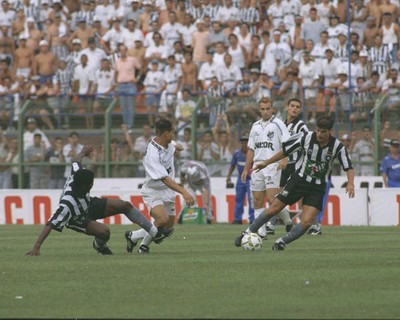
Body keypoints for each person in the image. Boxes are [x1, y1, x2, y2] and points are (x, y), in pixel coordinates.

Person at [234, 116, 355, 251]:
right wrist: (266, 163)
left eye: (323, 132)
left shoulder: (337, 146)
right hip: (299, 181)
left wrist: (350, 184)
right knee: (275, 207)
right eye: (318, 130)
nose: (319, 134)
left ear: (330, 131)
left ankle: (282, 241)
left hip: (317, 188)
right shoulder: (307, 137)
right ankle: (247, 232)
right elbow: (285, 151)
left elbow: (348, 167)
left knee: (307, 222)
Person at [26, 145, 172, 256]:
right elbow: (50, 224)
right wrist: (36, 247)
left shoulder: (77, 174)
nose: (92, 185)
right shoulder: (68, 204)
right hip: (78, 217)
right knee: (104, 232)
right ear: (84, 186)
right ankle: (100, 246)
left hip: (88, 203)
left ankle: (154, 233)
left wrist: (83, 152)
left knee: (125, 205)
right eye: (90, 184)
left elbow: (76, 160)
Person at [125, 119, 195, 254]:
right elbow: (164, 179)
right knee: (162, 219)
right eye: (172, 132)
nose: (174, 135)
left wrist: (177, 146)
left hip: (168, 191)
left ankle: (132, 236)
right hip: (153, 190)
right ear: (165, 133)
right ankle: (143, 247)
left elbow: (176, 145)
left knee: (167, 227)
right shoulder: (152, 154)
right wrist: (184, 192)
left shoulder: (167, 142)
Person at [241, 97, 293, 240]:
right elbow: (251, 149)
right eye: (262, 109)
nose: (265, 112)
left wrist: (284, 158)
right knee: (257, 200)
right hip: (257, 166)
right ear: (259, 110)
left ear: (272, 109)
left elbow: (288, 144)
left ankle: (288, 220)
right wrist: (246, 168)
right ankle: (261, 233)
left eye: (267, 109)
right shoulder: (255, 126)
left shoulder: (278, 124)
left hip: (272, 165)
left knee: (272, 199)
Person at [267, 98, 309, 235]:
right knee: (276, 196)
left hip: (297, 165)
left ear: (300, 110)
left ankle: (311, 224)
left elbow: (307, 143)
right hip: (283, 166)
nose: (295, 109)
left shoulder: (301, 126)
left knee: (302, 197)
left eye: (297, 106)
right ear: (286, 107)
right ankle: (276, 224)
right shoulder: (282, 125)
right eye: (292, 106)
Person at [226, 134, 254, 224]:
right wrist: (228, 176)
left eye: (246, 143)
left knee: (251, 199)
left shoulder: (252, 153)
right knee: (239, 198)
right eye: (242, 143)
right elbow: (232, 165)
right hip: (241, 179)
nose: (244, 145)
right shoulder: (237, 154)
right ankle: (237, 219)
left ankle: (252, 219)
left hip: (251, 179)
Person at [180, 160, 213, 224]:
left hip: (201, 183)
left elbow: (205, 190)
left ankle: (209, 218)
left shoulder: (204, 175)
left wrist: (205, 204)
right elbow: (182, 177)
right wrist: (182, 187)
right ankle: (182, 217)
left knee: (208, 201)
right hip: (190, 182)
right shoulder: (184, 168)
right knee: (188, 199)